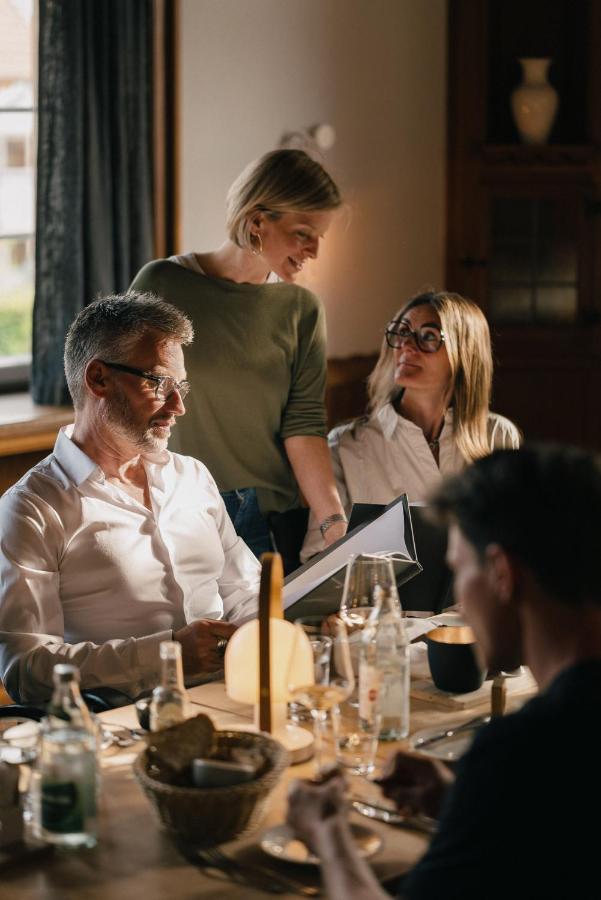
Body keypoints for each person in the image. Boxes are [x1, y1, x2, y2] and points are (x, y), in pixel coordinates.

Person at [288, 444, 601, 899]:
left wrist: (329, 834)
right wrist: (460, 802)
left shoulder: (524, 750)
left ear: (501, 574)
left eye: (458, 571)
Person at [0, 293, 261, 704]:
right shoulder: (33, 507)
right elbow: (26, 670)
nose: (178, 406)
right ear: (98, 379)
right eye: (159, 383)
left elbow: (246, 590)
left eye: (182, 387)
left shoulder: (192, 476)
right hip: (120, 724)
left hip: (234, 697)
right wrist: (167, 655)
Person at [129, 149, 348, 572]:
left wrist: (332, 518)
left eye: (320, 236)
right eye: (304, 233)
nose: (315, 250)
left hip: (268, 522)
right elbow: (125, 401)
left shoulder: (302, 309)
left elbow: (303, 423)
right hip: (178, 513)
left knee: (273, 640)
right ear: (256, 221)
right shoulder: (161, 284)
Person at [302, 290, 520, 558]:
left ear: (465, 350)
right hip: (383, 599)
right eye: (402, 332)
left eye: (428, 336)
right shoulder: (346, 445)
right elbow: (316, 558)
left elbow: (518, 540)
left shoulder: (498, 436)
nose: (407, 346)